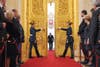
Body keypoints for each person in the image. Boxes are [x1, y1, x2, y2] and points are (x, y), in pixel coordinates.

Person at [88, 1, 100, 67]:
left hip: (97, 39)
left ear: (95, 6)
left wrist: (91, 40)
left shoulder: (95, 12)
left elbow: (94, 28)